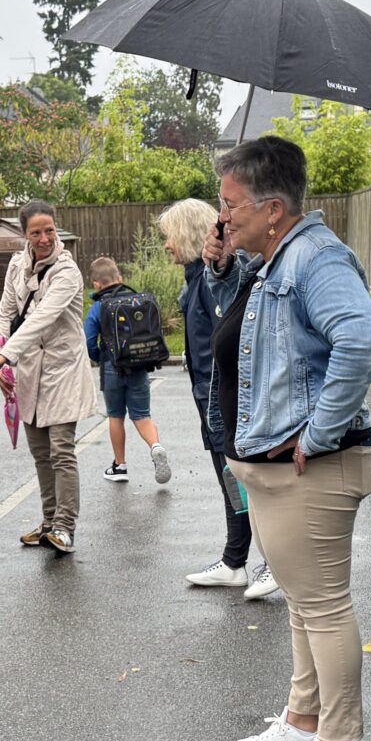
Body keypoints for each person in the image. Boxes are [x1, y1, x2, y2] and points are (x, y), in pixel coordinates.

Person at [212, 136, 371, 741]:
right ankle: (305, 721)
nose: (223, 217)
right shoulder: (275, 259)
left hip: (315, 469)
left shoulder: (315, 258)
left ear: (273, 207)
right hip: (280, 471)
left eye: (231, 205)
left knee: (323, 607)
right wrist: (222, 266)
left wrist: (320, 431)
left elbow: (358, 339)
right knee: (305, 606)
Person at [163, 199, 279, 601]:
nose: (167, 245)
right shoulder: (196, 279)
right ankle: (235, 561)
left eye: (170, 236)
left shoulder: (215, 280)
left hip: (226, 404)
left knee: (249, 482)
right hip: (209, 402)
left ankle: (272, 562)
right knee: (231, 481)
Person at [0, 201, 94, 555]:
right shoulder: (17, 264)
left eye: (50, 231)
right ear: (24, 234)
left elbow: (40, 318)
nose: (44, 239)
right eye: (36, 233)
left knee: (61, 450)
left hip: (63, 369)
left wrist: (5, 356)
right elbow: (4, 314)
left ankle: (65, 526)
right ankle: (48, 523)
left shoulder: (67, 271)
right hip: (29, 368)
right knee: (40, 453)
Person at [83, 255, 172, 486]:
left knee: (115, 416)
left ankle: (120, 465)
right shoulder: (137, 301)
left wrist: (100, 359)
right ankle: (156, 446)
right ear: (120, 278)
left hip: (112, 367)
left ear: (96, 285)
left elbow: (89, 340)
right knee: (142, 415)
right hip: (139, 366)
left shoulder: (99, 307)